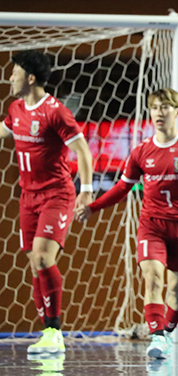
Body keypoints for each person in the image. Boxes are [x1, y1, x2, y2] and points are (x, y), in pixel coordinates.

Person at [76, 88, 178, 359]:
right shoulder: (141, 151)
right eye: (155, 108)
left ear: (177, 111)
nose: (159, 113)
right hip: (151, 225)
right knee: (152, 279)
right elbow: (122, 188)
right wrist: (93, 207)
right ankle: (157, 336)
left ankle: (167, 330)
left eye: (165, 107)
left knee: (177, 289)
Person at [0, 50, 94, 355]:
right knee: (35, 264)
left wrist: (86, 189)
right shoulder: (16, 109)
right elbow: (4, 129)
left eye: (14, 73)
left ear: (30, 78)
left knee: (43, 258)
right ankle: (47, 333)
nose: (10, 78)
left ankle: (54, 331)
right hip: (28, 197)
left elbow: (83, 151)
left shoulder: (55, 112)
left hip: (56, 194)